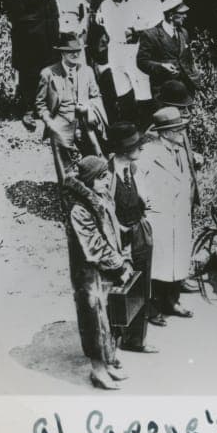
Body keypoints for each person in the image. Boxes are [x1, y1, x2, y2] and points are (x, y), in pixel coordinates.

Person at [62, 155, 134, 390]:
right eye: (102, 179)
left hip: (107, 269)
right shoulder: (79, 209)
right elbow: (93, 246)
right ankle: (98, 369)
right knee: (94, 320)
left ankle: (110, 361)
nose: (107, 182)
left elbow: (112, 230)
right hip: (89, 274)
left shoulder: (101, 197)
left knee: (111, 317)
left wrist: (123, 256)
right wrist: (119, 265)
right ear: (90, 180)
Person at [138, 108, 197, 322]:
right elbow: (136, 178)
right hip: (160, 216)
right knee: (158, 263)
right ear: (166, 133)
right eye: (178, 130)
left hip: (178, 213)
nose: (182, 133)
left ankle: (173, 301)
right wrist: (146, 202)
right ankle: (153, 309)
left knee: (176, 259)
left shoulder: (179, 150)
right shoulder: (149, 153)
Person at [105, 122, 158, 350]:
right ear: (125, 149)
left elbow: (144, 198)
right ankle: (113, 340)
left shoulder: (135, 169)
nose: (141, 149)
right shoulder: (106, 174)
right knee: (117, 289)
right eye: (137, 146)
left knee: (141, 287)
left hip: (139, 232)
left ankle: (136, 339)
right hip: (117, 239)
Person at [37, 30, 108, 184]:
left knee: (94, 162)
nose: (75, 55)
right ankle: (67, 202)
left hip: (85, 123)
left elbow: (96, 95)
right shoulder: (48, 73)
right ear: (62, 53)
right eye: (70, 52)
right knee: (66, 171)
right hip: (60, 125)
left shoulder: (87, 71)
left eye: (77, 51)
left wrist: (88, 107)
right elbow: (40, 104)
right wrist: (50, 123)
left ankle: (93, 197)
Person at [95, 0, 163, 127]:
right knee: (122, 89)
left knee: (142, 88)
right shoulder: (106, 5)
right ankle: (129, 129)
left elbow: (151, 22)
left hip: (134, 49)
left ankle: (146, 127)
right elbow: (109, 28)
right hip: (116, 49)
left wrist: (136, 29)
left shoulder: (139, 2)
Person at [5, 0, 60, 130]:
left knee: (45, 69)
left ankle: (42, 107)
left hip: (47, 30)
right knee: (29, 71)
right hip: (29, 32)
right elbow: (10, 0)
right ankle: (27, 110)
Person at [137, 0, 205, 98]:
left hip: (185, 89)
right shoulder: (151, 35)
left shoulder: (184, 32)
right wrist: (161, 66)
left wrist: (196, 81)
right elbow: (142, 62)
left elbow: (188, 60)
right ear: (171, 15)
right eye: (182, 13)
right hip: (164, 90)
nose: (185, 16)